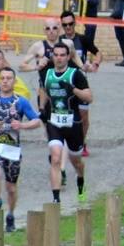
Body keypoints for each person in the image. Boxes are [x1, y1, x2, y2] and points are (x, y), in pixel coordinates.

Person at [0, 68, 43, 232]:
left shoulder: (20, 102)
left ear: (14, 81)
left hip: (12, 150)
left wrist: (22, 125)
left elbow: (36, 121)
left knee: (11, 188)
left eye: (9, 78)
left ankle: (11, 214)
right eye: (3, 78)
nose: (5, 81)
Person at [40, 41, 93, 205]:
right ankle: (56, 199)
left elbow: (89, 97)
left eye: (62, 55)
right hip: (54, 121)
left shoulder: (75, 74)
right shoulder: (46, 73)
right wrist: (42, 108)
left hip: (73, 123)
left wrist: (73, 89)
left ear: (68, 56)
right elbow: (43, 89)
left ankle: (81, 181)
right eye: (56, 55)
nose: (59, 58)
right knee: (55, 158)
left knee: (76, 161)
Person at [60, 8, 100, 152]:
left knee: (84, 117)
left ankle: (81, 144)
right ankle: (63, 144)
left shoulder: (82, 39)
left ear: (75, 23)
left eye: (70, 24)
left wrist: (95, 64)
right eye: (65, 25)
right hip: (63, 81)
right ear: (62, 26)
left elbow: (98, 53)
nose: (68, 27)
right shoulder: (59, 41)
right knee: (64, 114)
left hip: (80, 81)